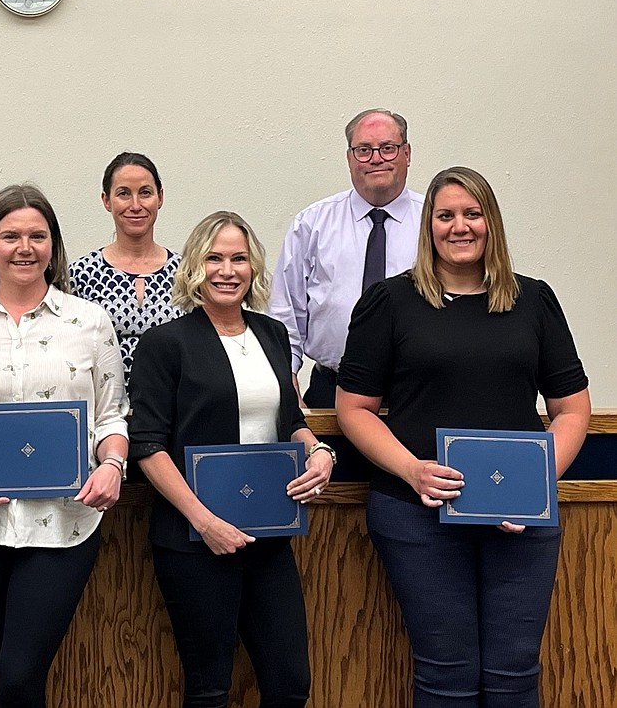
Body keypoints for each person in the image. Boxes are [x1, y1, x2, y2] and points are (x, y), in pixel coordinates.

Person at [336, 166, 590, 708]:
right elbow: (353, 409)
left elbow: (571, 409)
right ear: (428, 226)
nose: (460, 226)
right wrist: (411, 469)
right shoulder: (390, 302)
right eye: (445, 215)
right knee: (445, 674)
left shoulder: (534, 301)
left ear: (491, 222)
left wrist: (536, 483)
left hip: (519, 519)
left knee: (515, 672)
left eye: (472, 214)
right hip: (416, 513)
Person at [0, 184, 129, 708]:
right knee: (14, 679)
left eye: (37, 235)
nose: (24, 247)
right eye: (10, 235)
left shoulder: (89, 323)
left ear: (53, 246)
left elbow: (112, 415)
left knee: (16, 678)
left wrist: (113, 466)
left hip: (65, 522)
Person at [130, 211, 336, 708]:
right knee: (210, 689)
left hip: (269, 534)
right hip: (195, 540)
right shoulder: (165, 343)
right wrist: (206, 522)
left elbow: (292, 420)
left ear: (253, 266)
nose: (227, 269)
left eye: (239, 258)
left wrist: (321, 452)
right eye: (214, 258)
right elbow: (148, 446)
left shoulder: (270, 334)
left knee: (290, 685)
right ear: (195, 269)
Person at [268, 108, 422, 407]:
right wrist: (289, 386)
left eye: (387, 148)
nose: (376, 158)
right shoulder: (312, 223)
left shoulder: (435, 221)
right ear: (350, 158)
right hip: (331, 391)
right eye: (363, 150)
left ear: (407, 154)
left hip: (416, 395)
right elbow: (286, 312)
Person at [69, 152, 184, 390]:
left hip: (176, 414)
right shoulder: (81, 274)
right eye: (123, 194)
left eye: (145, 192)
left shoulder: (187, 272)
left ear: (160, 197)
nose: (135, 205)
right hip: (103, 414)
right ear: (106, 200)